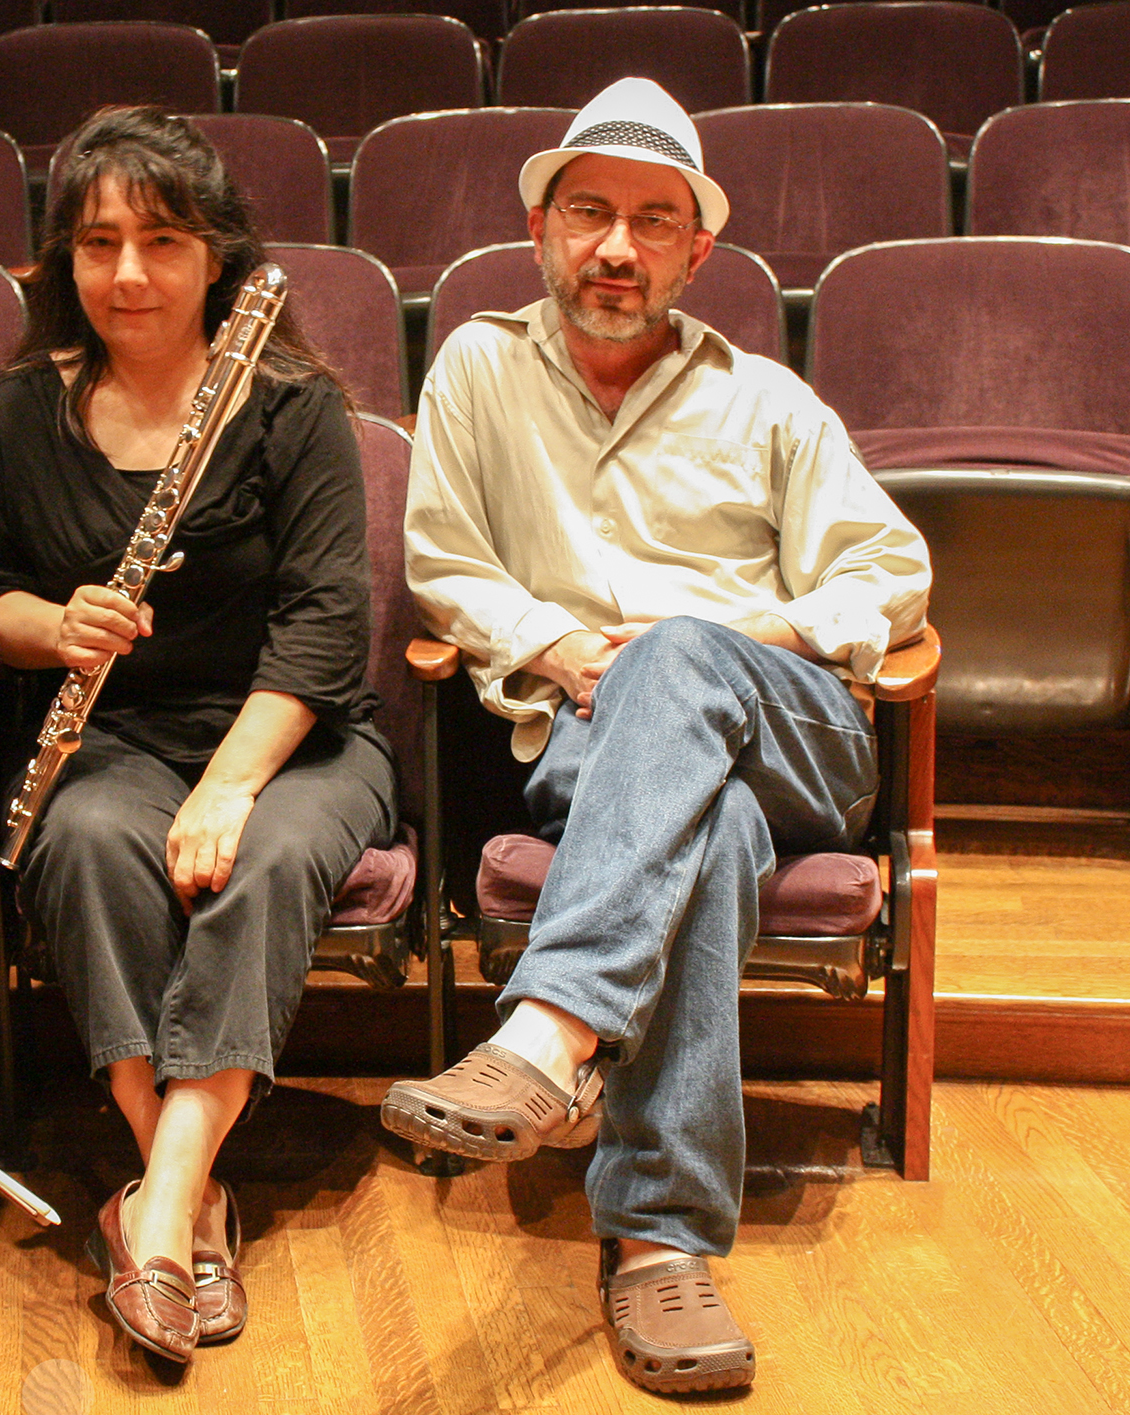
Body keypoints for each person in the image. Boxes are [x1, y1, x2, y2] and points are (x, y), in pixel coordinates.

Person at [383, 79, 931, 1396]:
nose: (616, 245)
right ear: (541, 230)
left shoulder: (770, 405)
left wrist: (753, 644)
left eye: (651, 221)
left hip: (798, 737)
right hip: (583, 730)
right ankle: (658, 1238)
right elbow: (448, 564)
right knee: (709, 826)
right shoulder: (476, 369)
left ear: (697, 253)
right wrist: (564, 645)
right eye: (589, 213)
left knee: (684, 652)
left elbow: (892, 572)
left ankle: (555, 1029)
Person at [0, 106, 396, 1364]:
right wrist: (55, 625)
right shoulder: (13, 412)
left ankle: (152, 1215)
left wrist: (227, 785)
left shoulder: (289, 405)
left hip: (294, 735)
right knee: (88, 839)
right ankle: (183, 1193)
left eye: (160, 240)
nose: (128, 273)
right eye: (97, 245)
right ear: (63, 263)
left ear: (217, 257)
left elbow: (323, 625)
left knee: (260, 858)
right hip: (110, 733)